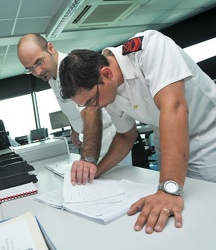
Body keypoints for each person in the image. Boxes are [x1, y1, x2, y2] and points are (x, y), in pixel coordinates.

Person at [58, 30, 216, 233]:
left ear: (106, 74)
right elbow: (126, 136)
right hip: (167, 138)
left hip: (206, 135)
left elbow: (175, 108)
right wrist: (97, 171)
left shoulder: (150, 47)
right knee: (170, 216)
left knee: (204, 213)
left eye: (92, 101)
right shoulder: (108, 91)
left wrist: (169, 188)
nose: (94, 109)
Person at [17, 33, 132, 172]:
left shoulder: (70, 69)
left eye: (39, 62)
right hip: (92, 138)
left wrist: (87, 158)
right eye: (30, 69)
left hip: (106, 140)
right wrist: (75, 128)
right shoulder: (51, 74)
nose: (38, 72)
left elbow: (91, 110)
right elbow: (76, 104)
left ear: (50, 48)